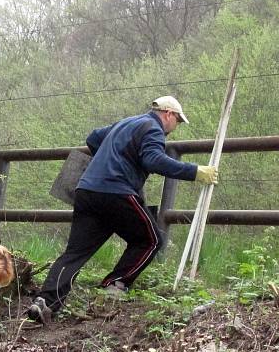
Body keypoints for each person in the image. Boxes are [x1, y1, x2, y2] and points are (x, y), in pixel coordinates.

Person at [28, 96, 219, 323]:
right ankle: (114, 286)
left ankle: (45, 302)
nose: (174, 129)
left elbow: (93, 137)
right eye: (177, 122)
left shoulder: (125, 123)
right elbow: (154, 160)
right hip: (116, 191)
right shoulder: (153, 129)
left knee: (75, 253)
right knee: (151, 240)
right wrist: (195, 171)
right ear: (169, 114)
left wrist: (112, 156)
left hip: (87, 190)